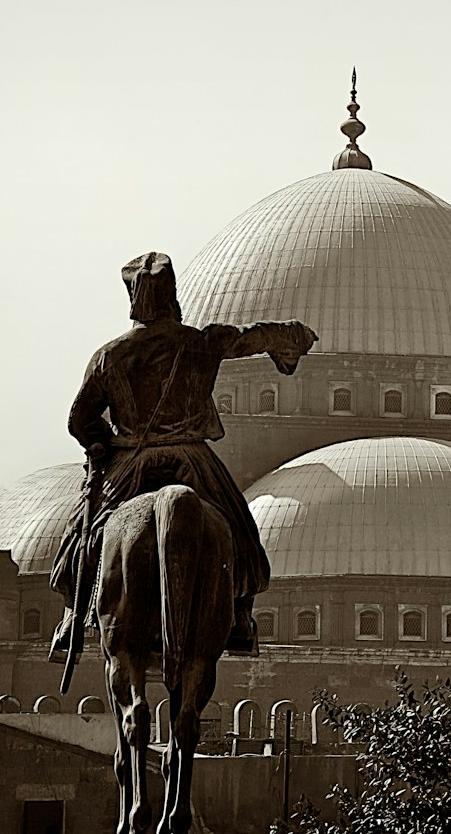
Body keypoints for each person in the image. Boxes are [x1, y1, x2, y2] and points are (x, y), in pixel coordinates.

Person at [49, 251, 317, 664]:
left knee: (80, 537)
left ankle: (72, 616)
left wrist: (101, 443)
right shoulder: (201, 342)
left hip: (130, 462)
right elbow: (253, 336)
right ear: (171, 297)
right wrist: (291, 335)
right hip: (192, 459)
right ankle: (241, 619)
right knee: (241, 531)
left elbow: (79, 419)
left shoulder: (110, 355)